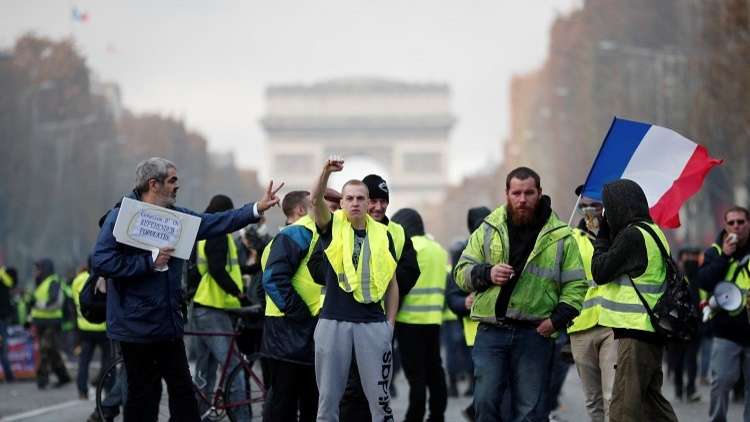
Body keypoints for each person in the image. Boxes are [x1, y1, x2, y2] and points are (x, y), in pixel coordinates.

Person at [92, 157, 282, 422]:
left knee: (183, 394)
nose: (177, 186)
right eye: (172, 181)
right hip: (135, 326)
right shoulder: (120, 217)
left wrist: (256, 208)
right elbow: (101, 261)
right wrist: (149, 262)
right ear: (153, 184)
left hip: (167, 324)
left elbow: (215, 222)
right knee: (143, 397)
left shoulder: (177, 219)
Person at [454, 167, 587, 422]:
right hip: (492, 331)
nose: (522, 199)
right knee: (485, 401)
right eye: (516, 193)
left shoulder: (561, 236)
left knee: (529, 412)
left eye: (529, 193)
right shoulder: (488, 228)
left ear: (540, 193)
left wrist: (556, 321)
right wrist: (487, 273)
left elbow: (576, 285)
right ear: (507, 194)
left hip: (535, 334)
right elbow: (461, 273)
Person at [307, 159, 400, 422]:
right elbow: (315, 200)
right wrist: (325, 172)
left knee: (381, 403)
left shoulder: (383, 235)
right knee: (327, 403)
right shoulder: (332, 225)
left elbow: (392, 283)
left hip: (373, 324)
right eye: (349, 198)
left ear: (369, 203)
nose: (355, 203)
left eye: (361, 198)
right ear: (342, 202)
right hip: (333, 321)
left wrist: (390, 324)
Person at [591, 179, 677, 422]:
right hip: (651, 331)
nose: (606, 214)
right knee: (652, 405)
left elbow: (600, 271)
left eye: (607, 207)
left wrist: (603, 233)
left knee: (623, 409)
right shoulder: (653, 231)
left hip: (637, 333)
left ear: (618, 206)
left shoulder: (632, 236)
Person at [339, 174, 420, 422]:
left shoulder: (397, 232)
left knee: (376, 388)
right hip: (346, 320)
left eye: (383, 201)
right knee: (350, 388)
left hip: (379, 322)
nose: (378, 206)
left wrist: (382, 285)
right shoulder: (341, 226)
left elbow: (410, 271)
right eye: (373, 200)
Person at [191, 194, 254, 422]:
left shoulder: (206, 232)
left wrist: (251, 269)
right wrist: (239, 293)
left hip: (204, 305)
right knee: (233, 367)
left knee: (204, 369)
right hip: (213, 307)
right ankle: (242, 418)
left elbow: (222, 267)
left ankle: (199, 415)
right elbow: (218, 270)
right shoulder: (218, 233)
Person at [260, 190, 321, 422]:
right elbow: (273, 279)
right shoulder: (299, 233)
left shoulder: (284, 237)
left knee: (290, 401)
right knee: (292, 402)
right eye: (315, 204)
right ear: (302, 210)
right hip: (292, 330)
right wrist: (302, 314)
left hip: (286, 329)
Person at [391, 207, 449, 422]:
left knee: (415, 375)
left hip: (409, 319)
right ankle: (437, 415)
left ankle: (414, 416)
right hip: (433, 319)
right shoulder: (438, 249)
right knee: (435, 370)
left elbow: (400, 285)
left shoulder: (410, 247)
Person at [566, 186, 618, 422]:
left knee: (612, 395)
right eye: (584, 206)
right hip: (580, 326)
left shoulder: (618, 236)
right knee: (592, 398)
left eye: (595, 205)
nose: (589, 210)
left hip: (612, 324)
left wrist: (604, 236)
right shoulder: (570, 239)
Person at [696, 205, 750, 422]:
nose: (736, 226)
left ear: (748, 224)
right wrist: (725, 256)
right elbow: (704, 281)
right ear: (725, 225)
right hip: (726, 330)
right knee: (721, 382)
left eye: (741, 222)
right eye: (731, 222)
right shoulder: (714, 252)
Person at [446, 207, 492, 422]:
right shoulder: (465, 254)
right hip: (476, 333)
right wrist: (464, 302)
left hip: (507, 329)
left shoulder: (510, 245)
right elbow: (452, 295)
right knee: (486, 386)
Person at [666, 247, 702, 403]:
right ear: (680, 259)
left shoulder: (700, 277)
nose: (690, 259)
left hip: (694, 325)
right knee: (678, 360)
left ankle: (691, 388)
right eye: (687, 256)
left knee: (692, 359)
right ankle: (679, 387)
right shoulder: (674, 276)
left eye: (694, 256)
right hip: (677, 326)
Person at [30, 258, 72, 389]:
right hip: (41, 322)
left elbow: (55, 301)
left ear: (45, 269)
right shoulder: (41, 282)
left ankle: (42, 379)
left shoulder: (53, 281)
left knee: (45, 349)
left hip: (52, 322)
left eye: (38, 269)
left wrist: (38, 304)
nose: (36, 272)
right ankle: (63, 377)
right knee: (52, 351)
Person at [72, 260, 110, 400]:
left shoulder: (78, 280)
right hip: (104, 327)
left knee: (84, 361)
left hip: (85, 327)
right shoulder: (105, 276)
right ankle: (109, 389)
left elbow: (74, 301)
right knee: (107, 360)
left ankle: (82, 391)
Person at [0, 265, 18, 382]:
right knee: (3, 348)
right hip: (3, 317)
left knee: (3, 347)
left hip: (2, 317)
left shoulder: (3, 276)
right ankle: (9, 375)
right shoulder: (4, 277)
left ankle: (9, 375)